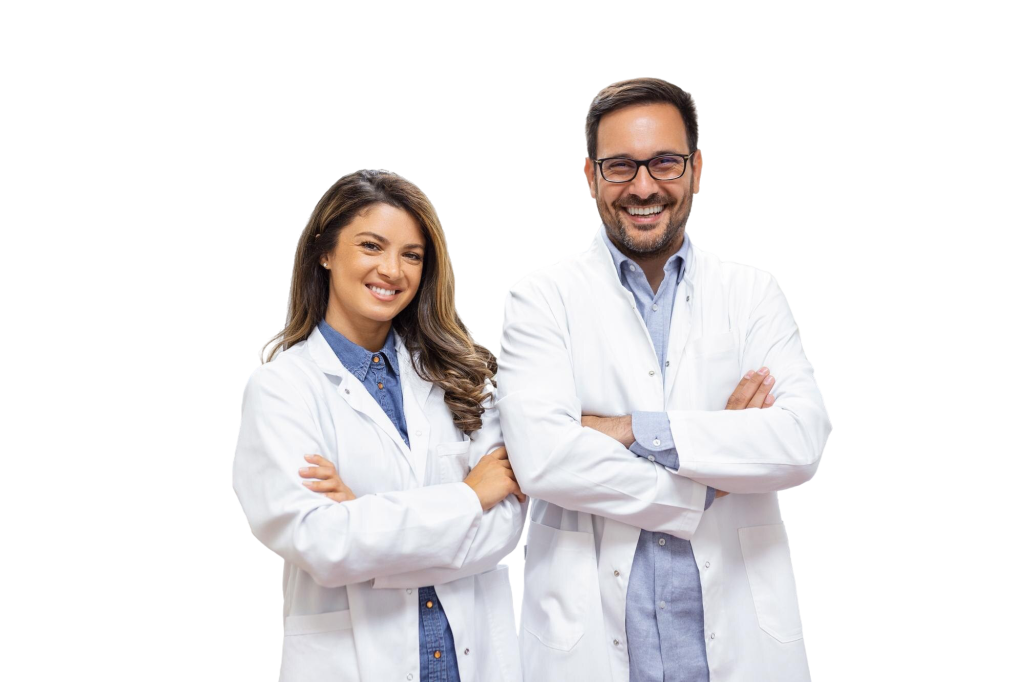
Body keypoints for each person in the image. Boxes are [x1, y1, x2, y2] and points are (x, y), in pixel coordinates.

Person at [494, 78, 832, 681]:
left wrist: (625, 429)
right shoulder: (540, 297)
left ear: (697, 169)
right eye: (620, 166)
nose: (644, 187)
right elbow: (544, 461)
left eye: (665, 163)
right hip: (592, 644)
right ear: (591, 177)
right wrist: (712, 463)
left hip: (739, 642)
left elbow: (802, 441)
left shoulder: (752, 292)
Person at [231, 169, 528, 682]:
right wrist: (465, 499)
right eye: (372, 246)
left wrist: (362, 515)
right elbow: (323, 544)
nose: (392, 270)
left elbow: (505, 528)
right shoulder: (281, 388)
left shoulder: (465, 376)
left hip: (472, 661)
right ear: (324, 251)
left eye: (412, 255)